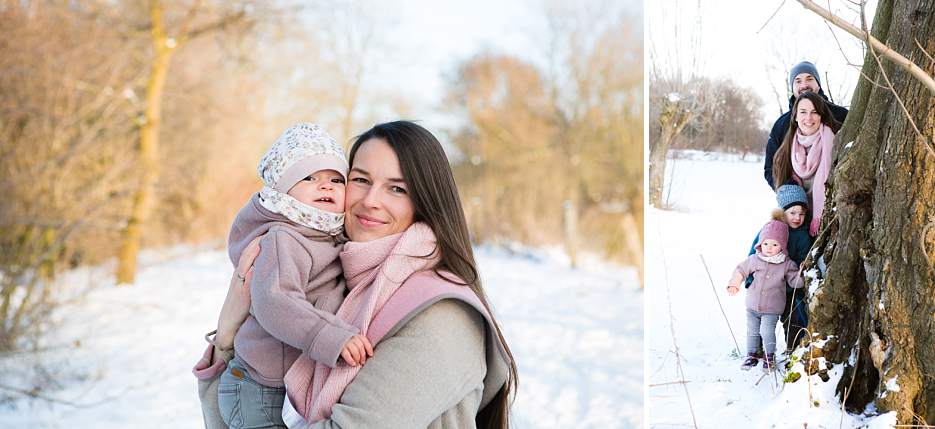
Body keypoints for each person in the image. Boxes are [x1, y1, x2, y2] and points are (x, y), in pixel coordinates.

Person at [204, 120, 517, 429]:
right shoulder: (334, 286)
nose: (370, 201)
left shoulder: (442, 316)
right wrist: (226, 337)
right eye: (361, 180)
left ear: (426, 202)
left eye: (397, 188)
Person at [193, 123, 374, 429]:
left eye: (335, 179)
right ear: (284, 190)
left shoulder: (325, 236)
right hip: (255, 389)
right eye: (309, 178)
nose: (326, 186)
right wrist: (331, 336)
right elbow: (275, 301)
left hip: (279, 388)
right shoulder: (284, 238)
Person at [727, 215, 804, 372]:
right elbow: (741, 270)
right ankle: (752, 355)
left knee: (766, 332)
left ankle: (769, 357)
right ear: (760, 243)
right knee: (753, 331)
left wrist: (801, 274)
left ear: (782, 246)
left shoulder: (787, 264)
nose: (769, 247)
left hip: (772, 308)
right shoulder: (756, 259)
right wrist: (735, 283)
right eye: (766, 243)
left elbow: (794, 283)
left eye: (774, 244)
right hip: (752, 305)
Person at [746, 184, 814, 353]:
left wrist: (798, 275)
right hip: (765, 288)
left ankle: (794, 349)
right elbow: (755, 251)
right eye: (792, 213)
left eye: (802, 214)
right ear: (783, 212)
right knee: (761, 321)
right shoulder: (770, 229)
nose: (797, 217)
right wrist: (749, 279)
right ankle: (757, 351)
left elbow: (802, 259)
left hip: (787, 288)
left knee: (793, 319)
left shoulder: (803, 236)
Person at [763, 61, 847, 190]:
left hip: (835, 201)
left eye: (809, 79)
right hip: (797, 206)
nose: (804, 85)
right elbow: (770, 168)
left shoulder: (840, 115)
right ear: (792, 87)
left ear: (818, 84)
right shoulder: (782, 124)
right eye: (798, 81)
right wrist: (790, 195)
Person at [771, 91, 839, 236]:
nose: (808, 117)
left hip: (828, 224)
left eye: (814, 112)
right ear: (795, 116)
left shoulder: (835, 143)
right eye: (803, 112)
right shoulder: (785, 151)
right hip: (796, 224)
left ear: (821, 116)